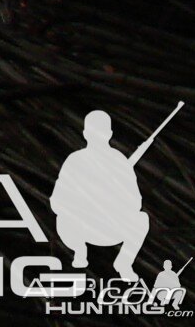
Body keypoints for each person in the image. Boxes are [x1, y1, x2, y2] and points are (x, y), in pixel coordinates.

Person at [52, 110, 153, 281]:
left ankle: (124, 263)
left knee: (142, 219)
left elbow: (136, 202)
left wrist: (114, 198)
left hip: (111, 228)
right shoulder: (75, 160)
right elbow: (57, 201)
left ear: (109, 134)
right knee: (62, 219)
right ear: (85, 134)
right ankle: (79, 251)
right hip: (81, 227)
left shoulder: (119, 161)